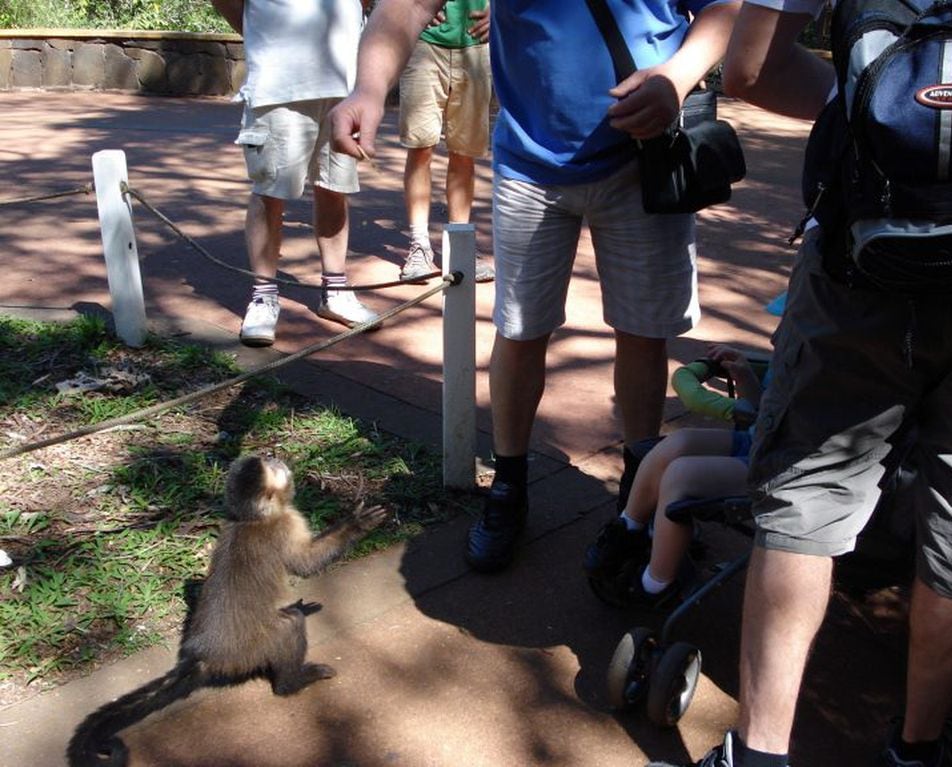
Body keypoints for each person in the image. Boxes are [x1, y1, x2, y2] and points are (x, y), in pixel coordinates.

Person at [661, 3, 952, 766]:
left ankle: (758, 753)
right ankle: (916, 746)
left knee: (809, 489)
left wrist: (879, 107)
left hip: (862, 252)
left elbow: (752, 68)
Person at [331, 0, 741, 573]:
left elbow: (726, 7)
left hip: (647, 155)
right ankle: (509, 485)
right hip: (531, 162)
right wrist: (368, 89)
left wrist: (676, 77)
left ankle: (638, 497)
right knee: (520, 330)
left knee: (644, 334)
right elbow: (406, 6)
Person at [212, 0, 381, 348]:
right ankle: (262, 296)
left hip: (342, 82)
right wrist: (267, 35)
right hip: (279, 83)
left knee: (336, 188)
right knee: (270, 192)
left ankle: (335, 291)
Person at [585, 344, 764, 609]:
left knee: (681, 477)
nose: (774, 338)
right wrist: (746, 376)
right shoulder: (801, 345)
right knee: (676, 443)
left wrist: (742, 410)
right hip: (762, 442)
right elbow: (761, 404)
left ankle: (655, 586)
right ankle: (627, 529)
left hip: (790, 465)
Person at [397, 0, 496, 284]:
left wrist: (501, 11)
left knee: (464, 152)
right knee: (420, 148)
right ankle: (419, 246)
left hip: (476, 45)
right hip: (424, 44)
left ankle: (460, 247)